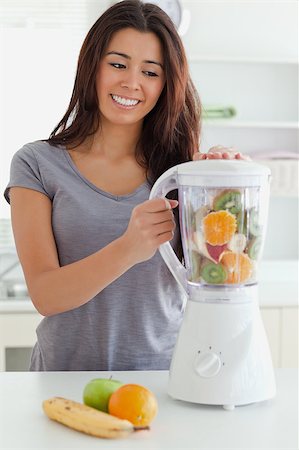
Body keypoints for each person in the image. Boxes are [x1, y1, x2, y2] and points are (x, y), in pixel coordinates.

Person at [4, 0, 248, 371]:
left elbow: (221, 277)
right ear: (92, 67)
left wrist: (226, 189)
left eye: (150, 72)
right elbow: (45, 295)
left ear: (167, 83)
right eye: (117, 64)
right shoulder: (37, 164)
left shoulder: (183, 174)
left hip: (165, 385)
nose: (131, 83)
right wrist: (129, 247)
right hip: (61, 385)